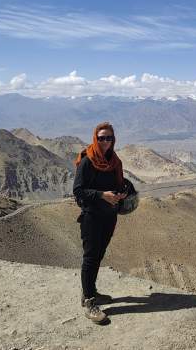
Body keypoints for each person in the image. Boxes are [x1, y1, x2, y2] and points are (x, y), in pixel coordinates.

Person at [73, 122, 127, 324]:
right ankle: (89, 302)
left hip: (109, 216)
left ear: (113, 140)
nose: (105, 142)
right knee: (90, 257)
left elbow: (118, 184)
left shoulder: (114, 161)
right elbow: (78, 190)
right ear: (95, 139)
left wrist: (121, 194)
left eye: (109, 138)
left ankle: (91, 291)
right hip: (92, 216)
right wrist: (102, 195)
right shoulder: (88, 161)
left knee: (99, 255)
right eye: (102, 138)